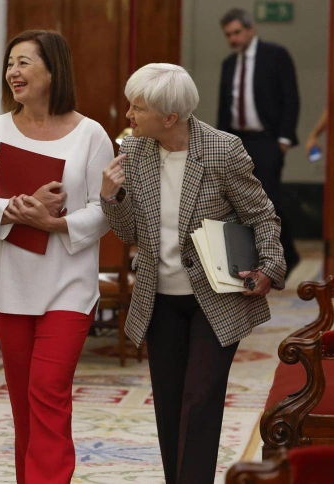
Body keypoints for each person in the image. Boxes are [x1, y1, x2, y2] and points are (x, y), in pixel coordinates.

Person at [101, 63, 285, 484]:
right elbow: (128, 231)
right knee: (168, 404)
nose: (128, 115)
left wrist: (270, 267)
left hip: (216, 297)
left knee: (200, 402)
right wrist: (111, 197)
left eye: (138, 107)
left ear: (170, 117)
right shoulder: (134, 152)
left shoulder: (223, 150)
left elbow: (262, 215)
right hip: (158, 298)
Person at [0, 30, 112, 484]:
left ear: (53, 71)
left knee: (48, 392)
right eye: (11, 63)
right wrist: (16, 208)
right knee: (23, 403)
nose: (14, 71)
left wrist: (55, 224)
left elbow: (105, 210)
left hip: (68, 283)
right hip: (10, 283)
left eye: (25, 62)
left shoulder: (91, 134)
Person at [216, 7, 300, 276]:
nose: (233, 39)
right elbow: (223, 108)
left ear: (251, 29)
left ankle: (279, 261)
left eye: (237, 32)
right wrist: (218, 143)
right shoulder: (228, 64)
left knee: (269, 202)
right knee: (237, 204)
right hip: (236, 142)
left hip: (267, 142)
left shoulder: (275, 55)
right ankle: (255, 260)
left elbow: (290, 98)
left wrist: (284, 140)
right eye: (228, 34)